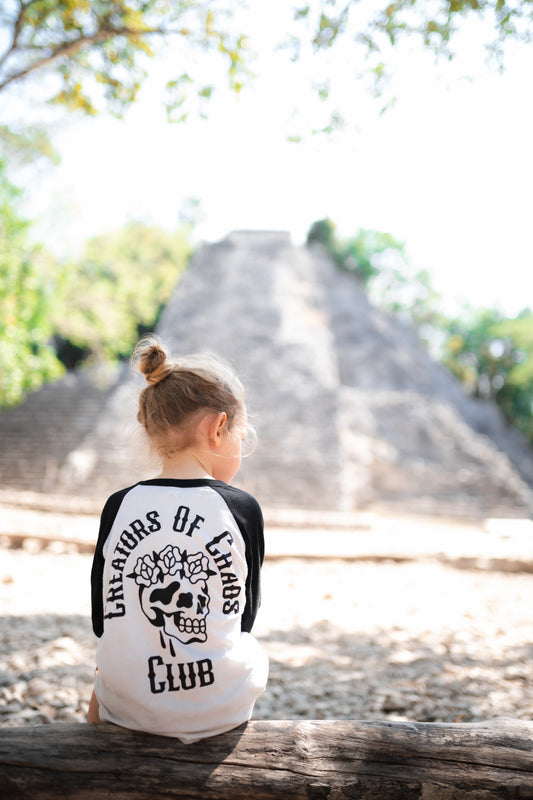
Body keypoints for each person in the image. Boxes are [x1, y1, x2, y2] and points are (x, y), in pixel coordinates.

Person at [88, 336, 268, 743]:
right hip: (220, 710)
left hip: (128, 708)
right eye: (242, 436)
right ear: (218, 428)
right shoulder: (241, 510)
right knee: (251, 648)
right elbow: (243, 617)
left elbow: (104, 619)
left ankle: (101, 733)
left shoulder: (119, 505)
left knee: (108, 665)